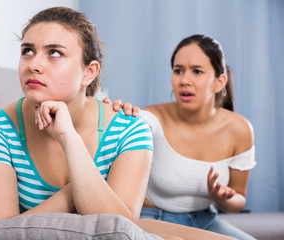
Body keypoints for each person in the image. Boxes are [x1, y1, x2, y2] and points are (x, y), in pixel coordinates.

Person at [0, 7, 232, 240]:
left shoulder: (129, 129)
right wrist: (75, 191)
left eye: (54, 53)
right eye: (27, 51)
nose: (34, 64)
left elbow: (119, 227)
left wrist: (68, 137)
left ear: (89, 72)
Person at [108, 34, 256, 239]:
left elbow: (239, 201)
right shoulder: (153, 118)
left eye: (197, 71)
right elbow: (127, 124)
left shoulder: (240, 129)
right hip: (152, 219)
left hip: (206, 220)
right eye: (178, 71)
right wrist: (116, 115)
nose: (184, 81)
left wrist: (222, 198)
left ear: (219, 82)